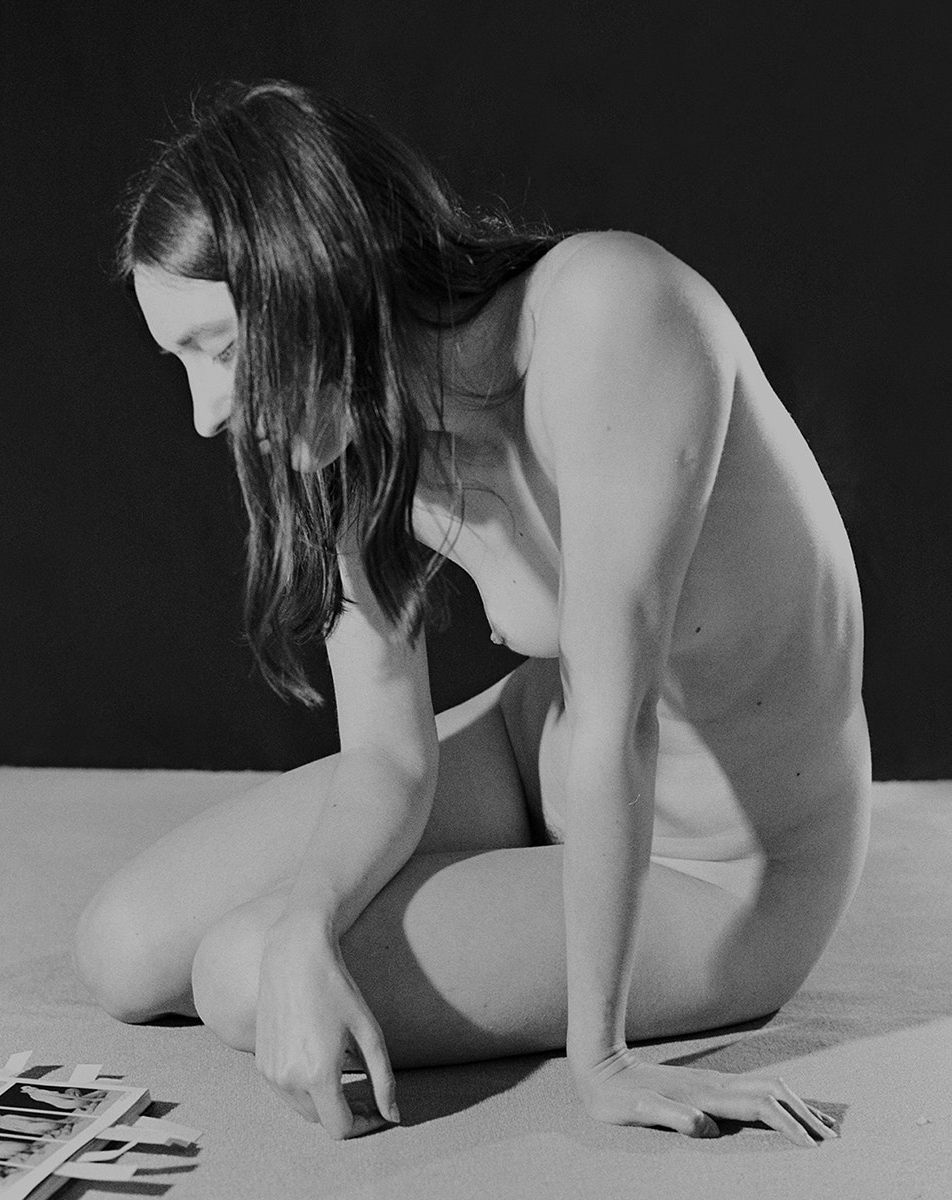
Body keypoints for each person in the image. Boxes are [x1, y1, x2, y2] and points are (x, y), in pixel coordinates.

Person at [74, 80, 871, 1144]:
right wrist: (312, 916)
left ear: (320, 276)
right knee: (125, 950)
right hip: (532, 754)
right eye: (182, 359)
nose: (207, 413)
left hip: (723, 869)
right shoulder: (343, 425)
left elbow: (618, 720)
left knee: (238, 975)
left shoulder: (608, 314)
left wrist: (603, 1061)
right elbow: (388, 755)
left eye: (221, 350)